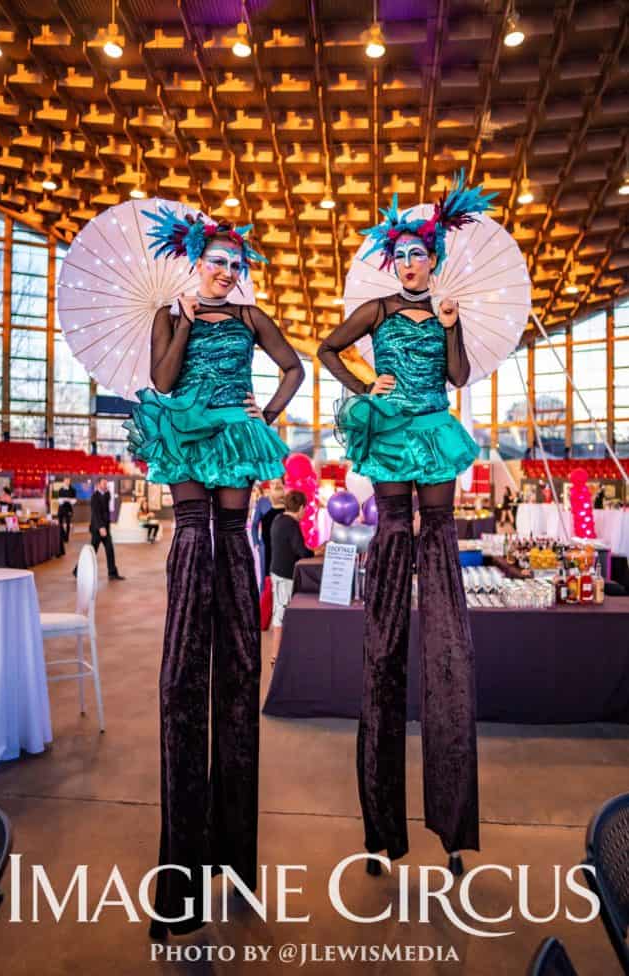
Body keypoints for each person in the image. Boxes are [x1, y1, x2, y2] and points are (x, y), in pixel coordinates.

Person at [123, 208, 304, 937]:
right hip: (185, 428)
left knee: (231, 537)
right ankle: (183, 871)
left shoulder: (254, 316)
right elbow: (161, 381)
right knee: (194, 534)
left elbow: (292, 365)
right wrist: (188, 320)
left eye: (235, 262)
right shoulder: (173, 313)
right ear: (195, 263)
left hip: (234, 427)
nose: (226, 271)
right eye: (216, 261)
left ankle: (232, 857)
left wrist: (272, 408)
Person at [318, 172, 496, 876]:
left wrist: (453, 327)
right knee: (393, 547)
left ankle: (452, 822)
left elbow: (456, 378)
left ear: (435, 259)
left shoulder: (449, 309)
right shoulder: (377, 308)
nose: (411, 263)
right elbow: (327, 348)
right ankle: (381, 830)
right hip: (390, 430)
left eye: (420, 253)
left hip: (435, 433)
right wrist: (367, 386)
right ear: (391, 263)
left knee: (440, 549)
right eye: (402, 256)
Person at [269, 489, 314, 667]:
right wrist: (317, 551)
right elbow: (301, 551)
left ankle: (277, 654)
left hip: (277, 572)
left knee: (280, 612)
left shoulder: (279, 519)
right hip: (284, 575)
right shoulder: (291, 524)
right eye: (305, 509)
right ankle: (275, 656)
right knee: (280, 615)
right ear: (301, 507)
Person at [88, 478, 125, 580]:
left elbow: (105, 511)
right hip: (97, 528)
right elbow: (96, 514)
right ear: (98, 484)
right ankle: (78, 571)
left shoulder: (107, 494)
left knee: (110, 550)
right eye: (104, 484)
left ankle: (112, 573)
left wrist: (106, 527)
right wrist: (101, 527)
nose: (106, 485)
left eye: (106, 484)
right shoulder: (94, 497)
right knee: (92, 551)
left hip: (106, 528)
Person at [252, 477, 286, 586]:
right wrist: (256, 542)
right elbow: (255, 524)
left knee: (282, 576)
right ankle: (264, 601)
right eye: (273, 483)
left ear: (283, 485)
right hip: (265, 546)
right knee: (265, 577)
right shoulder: (262, 502)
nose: (275, 485)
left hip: (282, 546)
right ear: (269, 486)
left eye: (278, 483)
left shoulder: (287, 501)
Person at [57, 476, 77, 543]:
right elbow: (59, 500)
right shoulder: (60, 490)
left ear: (70, 482)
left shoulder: (73, 490)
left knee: (68, 523)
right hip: (61, 508)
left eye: (68, 481)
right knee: (60, 524)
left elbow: (74, 500)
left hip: (68, 508)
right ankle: (63, 535)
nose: (67, 482)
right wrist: (62, 500)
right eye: (66, 481)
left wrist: (69, 500)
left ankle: (67, 537)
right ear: (64, 481)